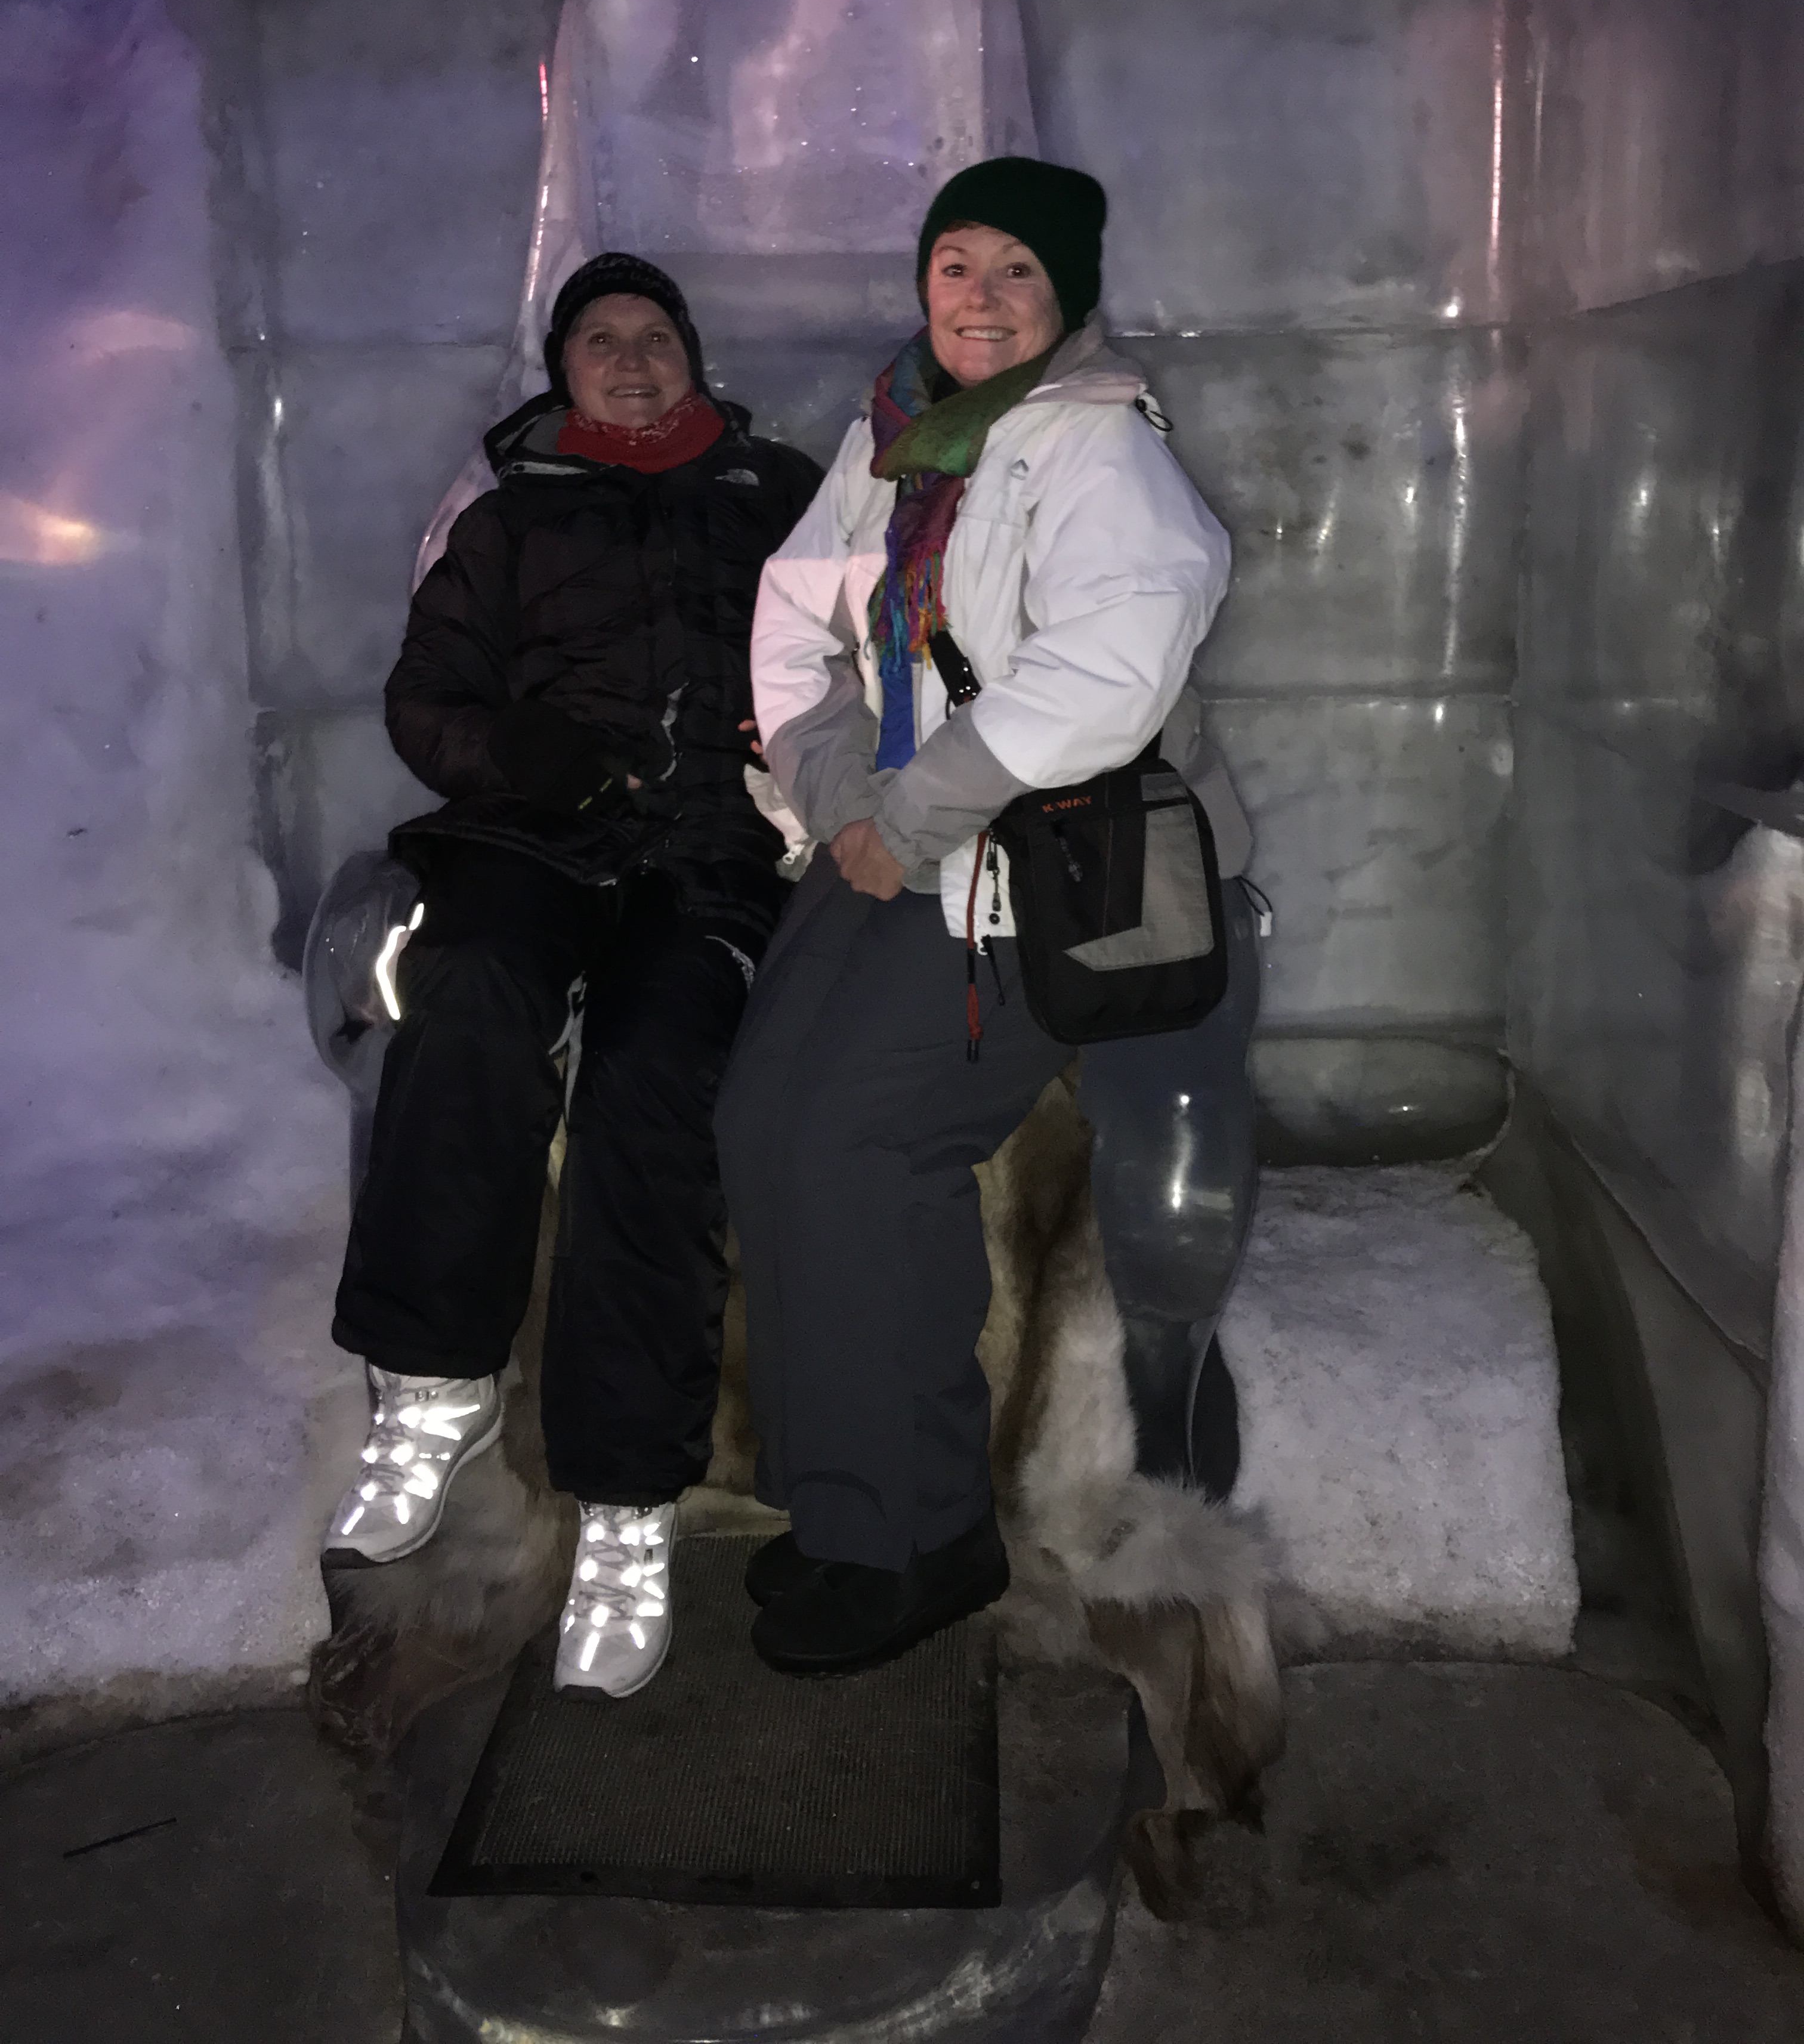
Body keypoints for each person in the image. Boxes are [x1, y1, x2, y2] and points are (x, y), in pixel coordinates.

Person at [716, 156, 1254, 1678]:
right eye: (958, 264)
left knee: (859, 1147)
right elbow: (798, 614)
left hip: (1027, 887)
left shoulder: (1098, 446)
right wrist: (837, 796)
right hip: (890, 843)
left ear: (1067, 291)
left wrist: (910, 815)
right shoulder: (896, 431)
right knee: (763, 1123)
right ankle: (848, 1503)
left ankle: (917, 1536)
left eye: (1019, 269)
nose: (982, 297)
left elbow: (1111, 670)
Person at [323, 253, 820, 1698]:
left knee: (656, 1082)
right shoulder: (508, 508)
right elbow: (426, 699)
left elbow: (864, 645)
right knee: (469, 989)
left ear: (694, 357)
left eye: (656, 335)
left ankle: (626, 1501)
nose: (632, 357)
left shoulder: (778, 494)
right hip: (535, 834)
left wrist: (806, 768)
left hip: (713, 848)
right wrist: (523, 755)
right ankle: (437, 1384)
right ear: (563, 368)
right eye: (602, 338)